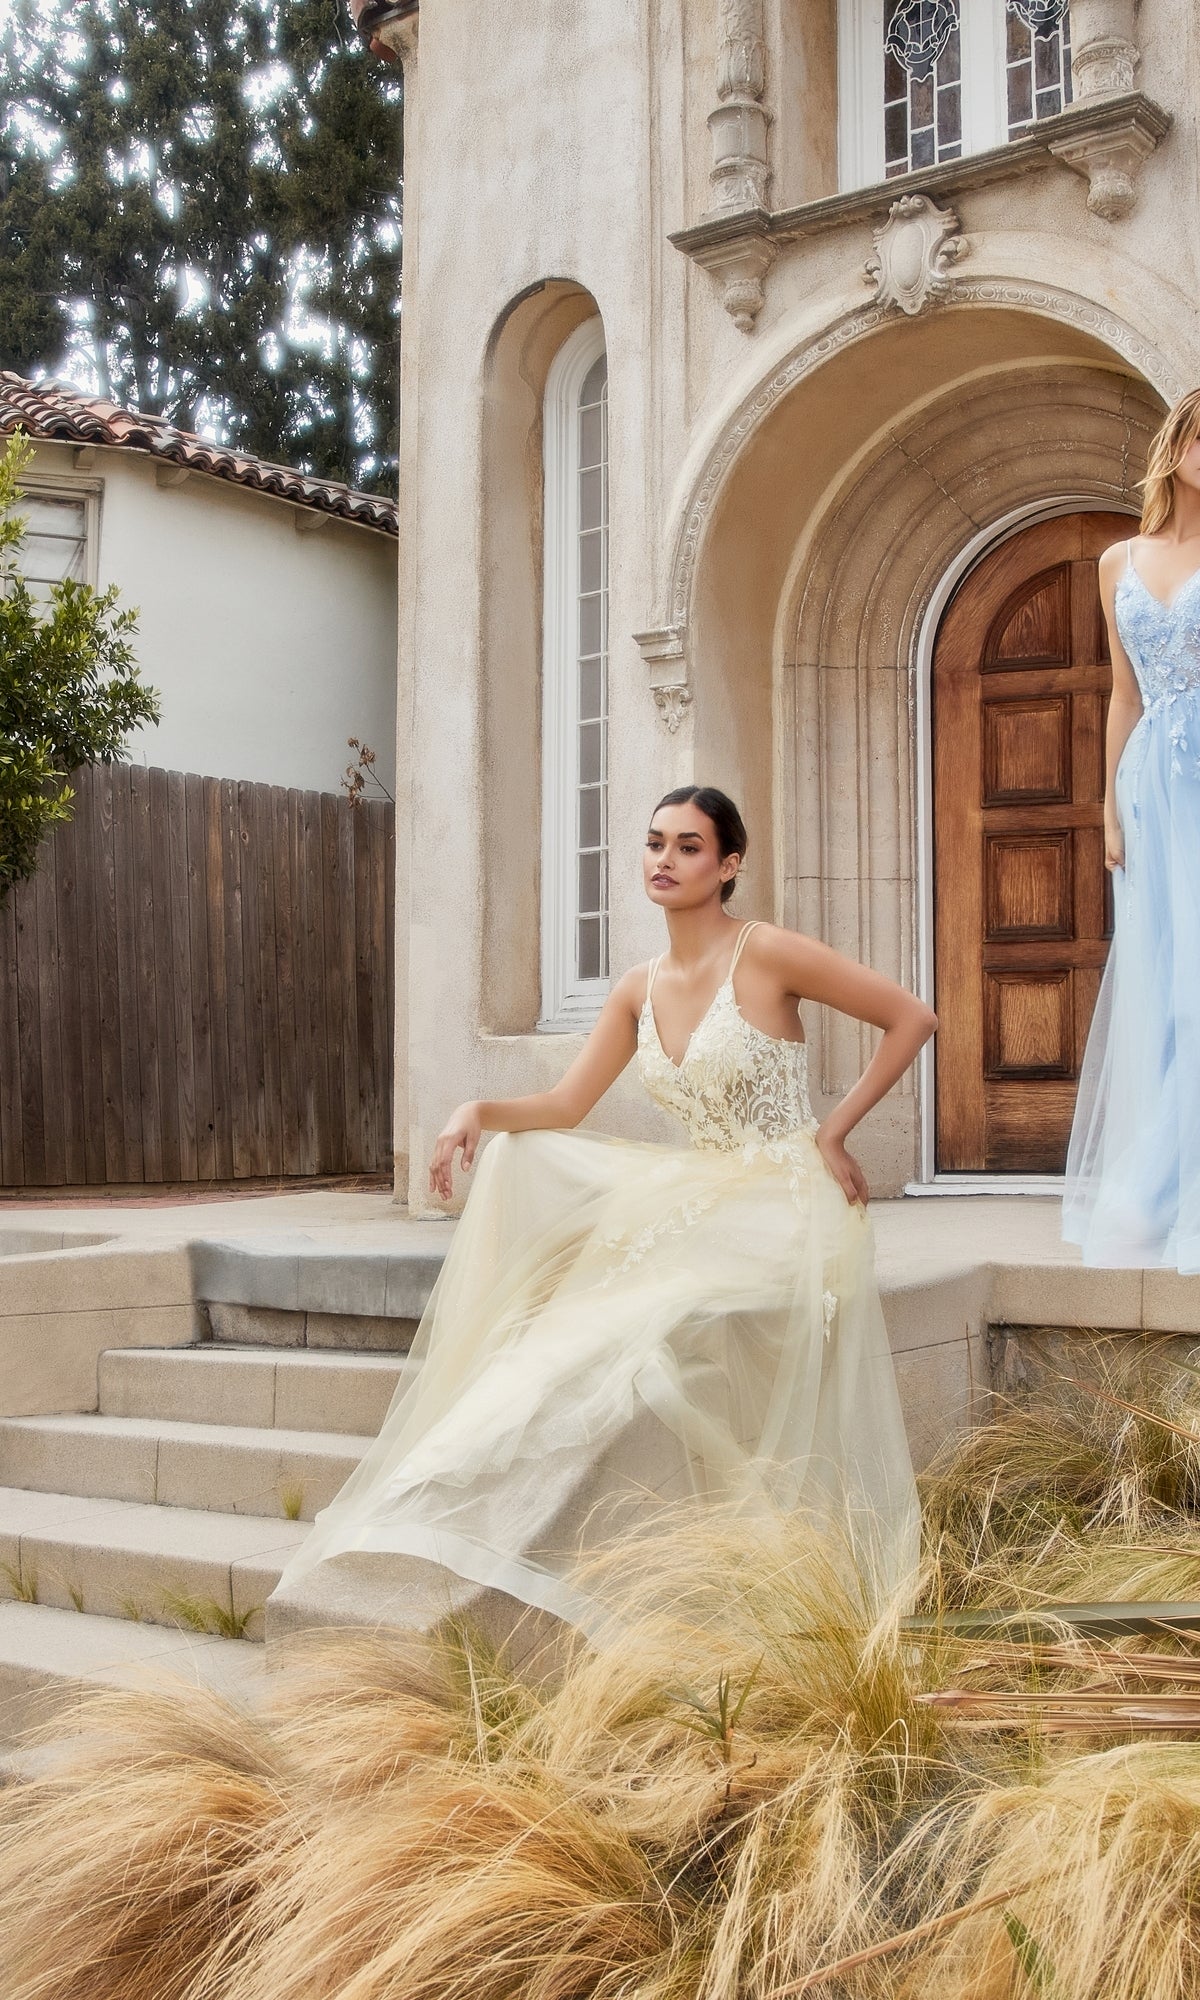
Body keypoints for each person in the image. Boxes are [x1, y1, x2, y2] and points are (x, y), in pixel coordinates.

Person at [278, 787, 935, 1630]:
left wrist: (835, 1133)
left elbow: (911, 1018)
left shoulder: (766, 953)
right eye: (655, 843)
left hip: (785, 1198)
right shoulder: (637, 987)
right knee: (561, 1289)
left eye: (689, 847)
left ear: (728, 865)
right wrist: (475, 1113)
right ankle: (435, 1500)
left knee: (639, 1319)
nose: (664, 859)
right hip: (706, 1196)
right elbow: (563, 1103)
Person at [1064, 391, 1200, 1272]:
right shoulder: (1117, 559)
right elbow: (1123, 694)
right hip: (1152, 781)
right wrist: (1107, 807)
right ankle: (1156, 1191)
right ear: (1178, 440)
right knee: (1164, 978)